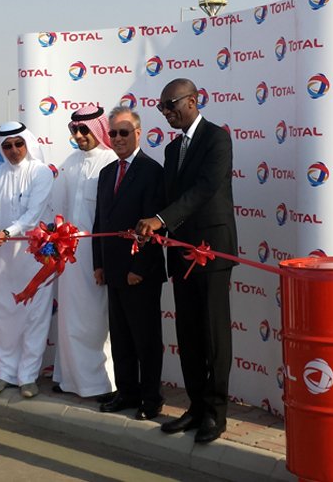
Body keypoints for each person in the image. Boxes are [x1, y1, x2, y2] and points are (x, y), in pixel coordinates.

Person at [137, 78, 237, 444]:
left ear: (192, 101)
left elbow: (204, 189)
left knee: (212, 334)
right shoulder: (171, 149)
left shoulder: (217, 139)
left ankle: (215, 413)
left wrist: (160, 219)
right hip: (180, 252)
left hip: (211, 250)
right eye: (161, 107)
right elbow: (170, 197)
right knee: (189, 333)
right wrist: (148, 223)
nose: (166, 112)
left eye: (171, 104)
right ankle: (195, 407)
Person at [93, 107, 167, 420]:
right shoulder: (107, 173)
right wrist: (98, 263)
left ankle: (150, 398)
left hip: (140, 273)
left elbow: (155, 226)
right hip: (112, 270)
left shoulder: (152, 171)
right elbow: (100, 222)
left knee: (145, 339)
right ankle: (126, 392)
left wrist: (139, 268)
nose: (118, 138)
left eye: (124, 132)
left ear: (138, 133)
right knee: (121, 337)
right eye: (113, 133)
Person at [0, 122, 55, 399]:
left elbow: (33, 215)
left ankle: (28, 377)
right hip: (3, 259)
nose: (14, 150)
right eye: (7, 146)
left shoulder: (41, 172)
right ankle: (3, 372)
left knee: (34, 317)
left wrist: (6, 233)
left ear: (27, 143)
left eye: (18, 144)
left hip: (35, 258)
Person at [49, 106, 118, 400]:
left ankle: (100, 383)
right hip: (70, 256)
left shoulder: (111, 162)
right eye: (74, 130)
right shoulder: (69, 163)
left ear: (99, 129)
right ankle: (69, 379)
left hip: (98, 256)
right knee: (69, 318)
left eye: (84, 129)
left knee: (96, 320)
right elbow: (57, 208)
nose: (78, 136)